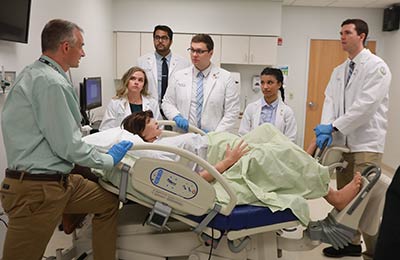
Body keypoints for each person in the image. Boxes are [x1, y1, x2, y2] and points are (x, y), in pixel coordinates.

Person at [0, 19, 133, 260]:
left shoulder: (37, 73)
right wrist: (107, 160)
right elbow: (68, 146)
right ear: (65, 47)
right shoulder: (50, 83)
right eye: (80, 46)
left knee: (108, 202)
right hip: (37, 189)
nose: (83, 52)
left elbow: (62, 135)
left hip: (62, 181)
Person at [112, 110, 362, 226]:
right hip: (218, 157)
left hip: (215, 144)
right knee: (269, 156)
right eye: (150, 123)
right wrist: (227, 161)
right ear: (142, 135)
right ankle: (332, 195)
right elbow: (193, 180)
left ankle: (303, 162)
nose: (156, 122)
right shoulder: (156, 156)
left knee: (268, 132)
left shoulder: (163, 142)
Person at [313, 19, 391, 258]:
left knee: (365, 200)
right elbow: (330, 100)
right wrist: (327, 126)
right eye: (341, 33)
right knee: (346, 195)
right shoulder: (339, 71)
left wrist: (334, 125)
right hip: (343, 145)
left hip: (366, 143)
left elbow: (365, 106)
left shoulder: (377, 67)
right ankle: (351, 242)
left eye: (347, 33)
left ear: (362, 36)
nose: (342, 37)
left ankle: (377, 250)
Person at [162, 34, 240, 133]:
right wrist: (176, 116)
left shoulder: (225, 78)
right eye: (192, 50)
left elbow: (232, 112)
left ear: (211, 53)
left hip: (212, 138)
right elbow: (167, 102)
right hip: (183, 136)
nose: (194, 55)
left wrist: (215, 134)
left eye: (199, 51)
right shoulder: (178, 76)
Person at [137, 25, 190, 115]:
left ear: (171, 41)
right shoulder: (142, 61)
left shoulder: (184, 63)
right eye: (157, 37)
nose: (160, 41)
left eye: (164, 38)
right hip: (150, 109)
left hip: (175, 110)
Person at [238, 67, 297, 142]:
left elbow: (290, 139)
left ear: (279, 84)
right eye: (262, 82)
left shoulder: (287, 112)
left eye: (270, 83)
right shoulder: (251, 108)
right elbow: (243, 135)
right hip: (254, 150)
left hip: (277, 152)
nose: (265, 87)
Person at [99, 66, 161, 131]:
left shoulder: (152, 103)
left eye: (140, 80)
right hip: (121, 139)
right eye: (132, 78)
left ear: (143, 85)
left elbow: (159, 127)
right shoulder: (115, 103)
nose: (136, 82)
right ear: (127, 81)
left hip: (147, 141)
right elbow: (105, 129)